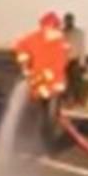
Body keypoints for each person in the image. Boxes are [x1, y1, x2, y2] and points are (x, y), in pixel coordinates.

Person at [14, 12, 70, 152]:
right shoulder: (34, 39)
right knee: (36, 114)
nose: (51, 31)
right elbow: (20, 46)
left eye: (54, 28)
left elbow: (61, 64)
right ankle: (34, 141)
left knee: (51, 117)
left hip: (54, 85)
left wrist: (49, 79)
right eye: (49, 27)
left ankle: (48, 145)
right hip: (38, 84)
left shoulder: (61, 43)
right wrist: (25, 65)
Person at [63, 12, 86, 105]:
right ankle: (68, 100)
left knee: (77, 82)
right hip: (64, 61)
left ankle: (79, 100)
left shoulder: (79, 33)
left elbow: (81, 48)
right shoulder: (62, 33)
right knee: (66, 83)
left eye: (70, 20)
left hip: (75, 60)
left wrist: (82, 62)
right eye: (67, 20)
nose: (68, 22)